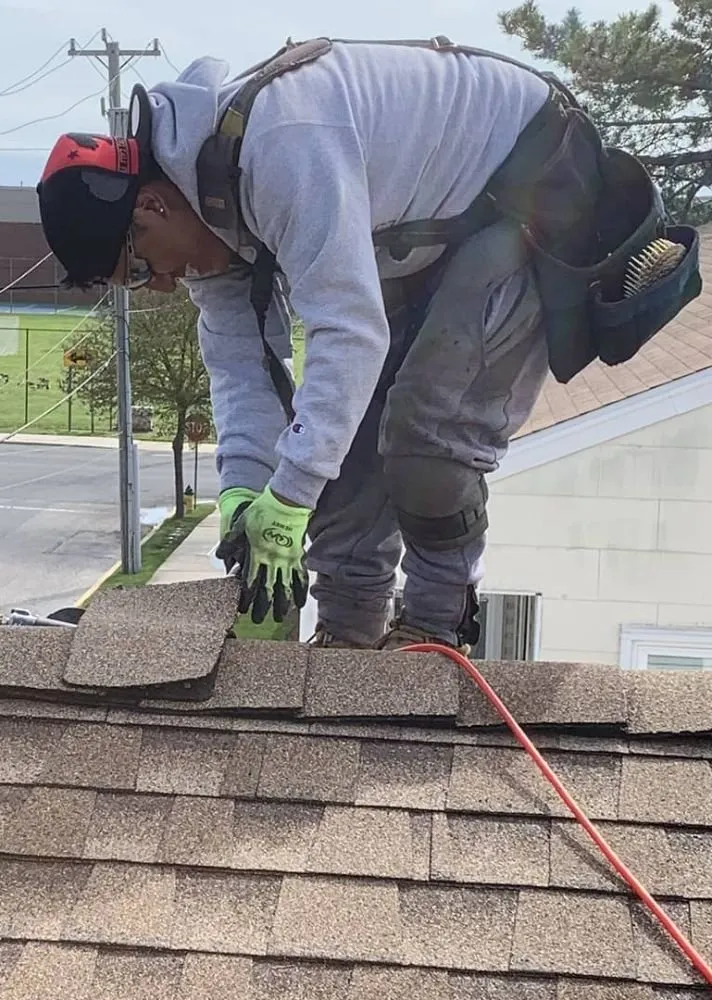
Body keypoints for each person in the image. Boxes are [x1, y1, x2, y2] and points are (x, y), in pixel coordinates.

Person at [34, 37, 688, 652]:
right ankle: (347, 645)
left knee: (427, 438)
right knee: (335, 462)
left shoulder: (276, 148)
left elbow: (349, 331)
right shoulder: (211, 214)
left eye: (144, 268)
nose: (167, 284)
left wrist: (288, 497)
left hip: (519, 197)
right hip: (419, 239)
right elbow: (242, 369)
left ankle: (433, 635)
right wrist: (244, 491)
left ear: (150, 207)